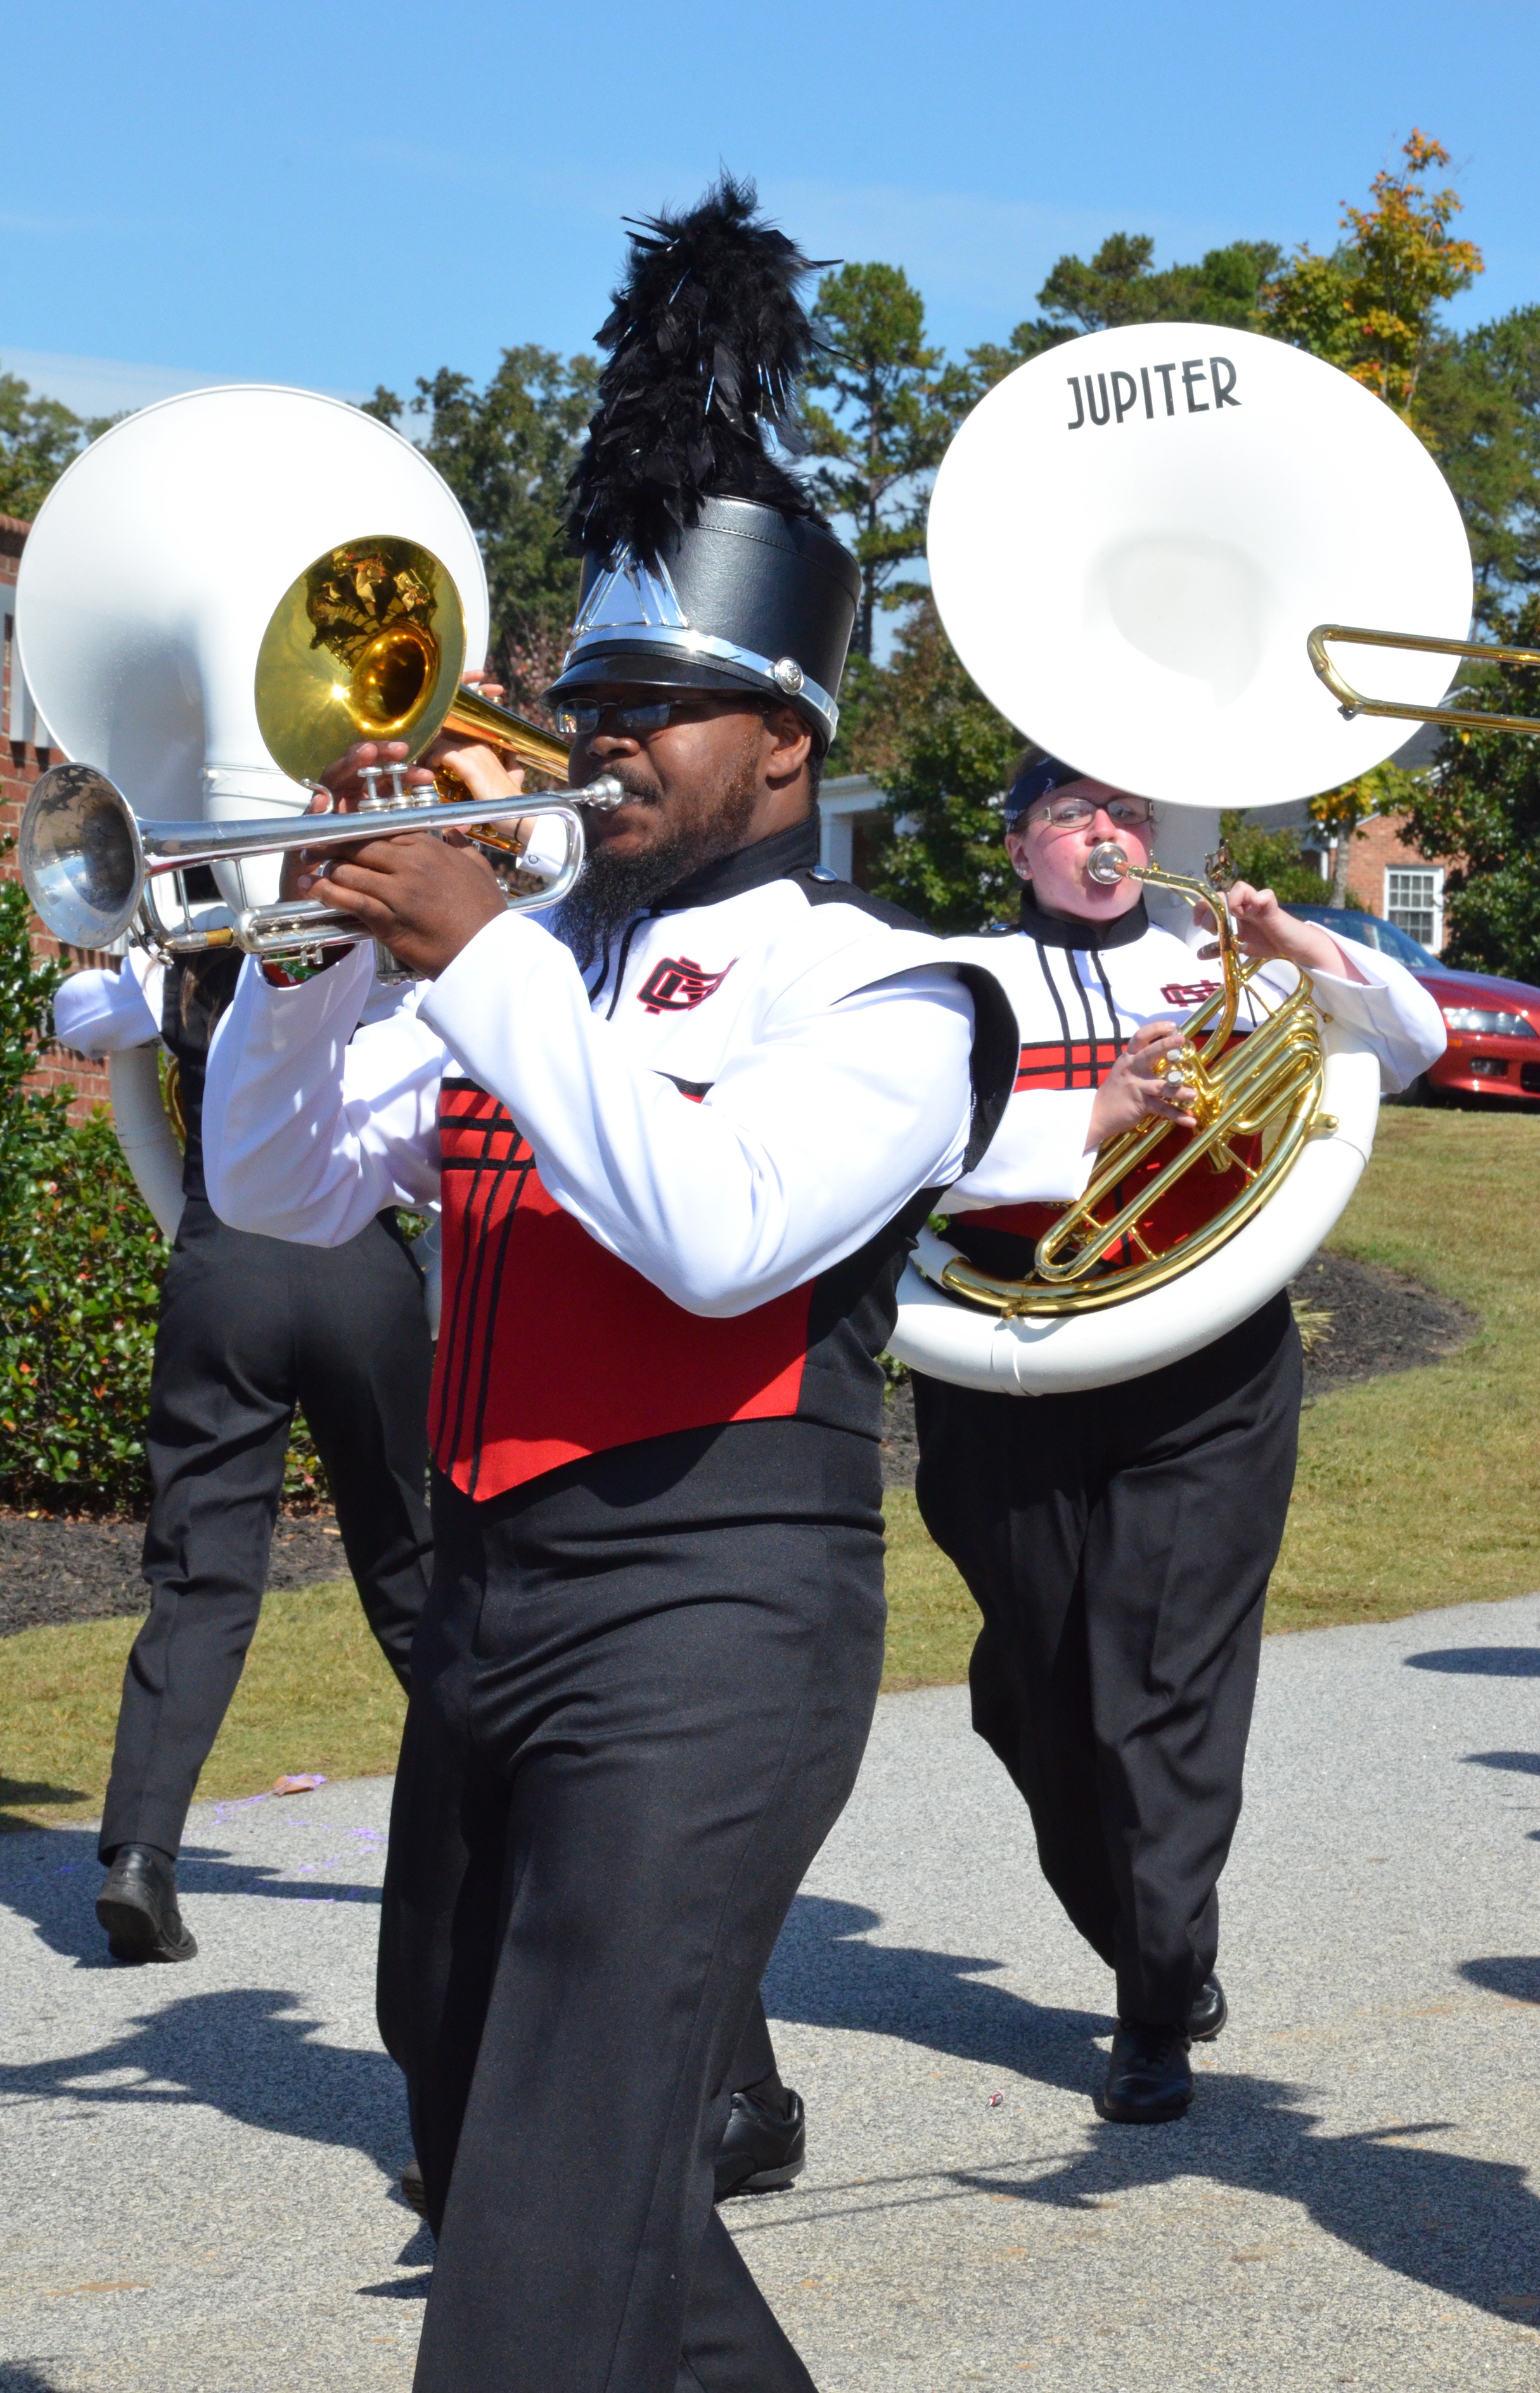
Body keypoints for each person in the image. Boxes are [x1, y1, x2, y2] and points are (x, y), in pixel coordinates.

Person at [203, 178, 1015, 2393]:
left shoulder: (896, 991)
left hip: (711, 1616)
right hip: (491, 1603)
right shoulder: (526, 963)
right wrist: (302, 949)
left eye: (667, 701)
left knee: (536, 2261)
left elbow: (720, 1226)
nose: (604, 735)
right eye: (593, 693)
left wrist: (474, 957)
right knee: (511, 2158)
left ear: (791, 743)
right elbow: (275, 1191)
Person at [915, 750, 1447, 2124]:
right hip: (1008, 1359)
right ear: (1020, 847)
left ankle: (1153, 2000)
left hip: (1205, 1368)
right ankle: (1152, 1938)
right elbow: (887, 1152)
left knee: (1154, 1687)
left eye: (1125, 813)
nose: (1105, 833)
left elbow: (1412, 1043)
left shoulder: (1221, 959)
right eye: (1069, 814)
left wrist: (1296, 944)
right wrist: (1086, 1120)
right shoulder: (956, 978)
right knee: (1030, 1689)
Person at [54, 945, 434, 1966]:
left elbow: (79, 1011)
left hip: (224, 1266)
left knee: (197, 1575)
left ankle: (140, 1856)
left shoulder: (173, 959)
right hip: (361, 1262)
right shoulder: (391, 963)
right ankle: (527, 1819)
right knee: (413, 1567)